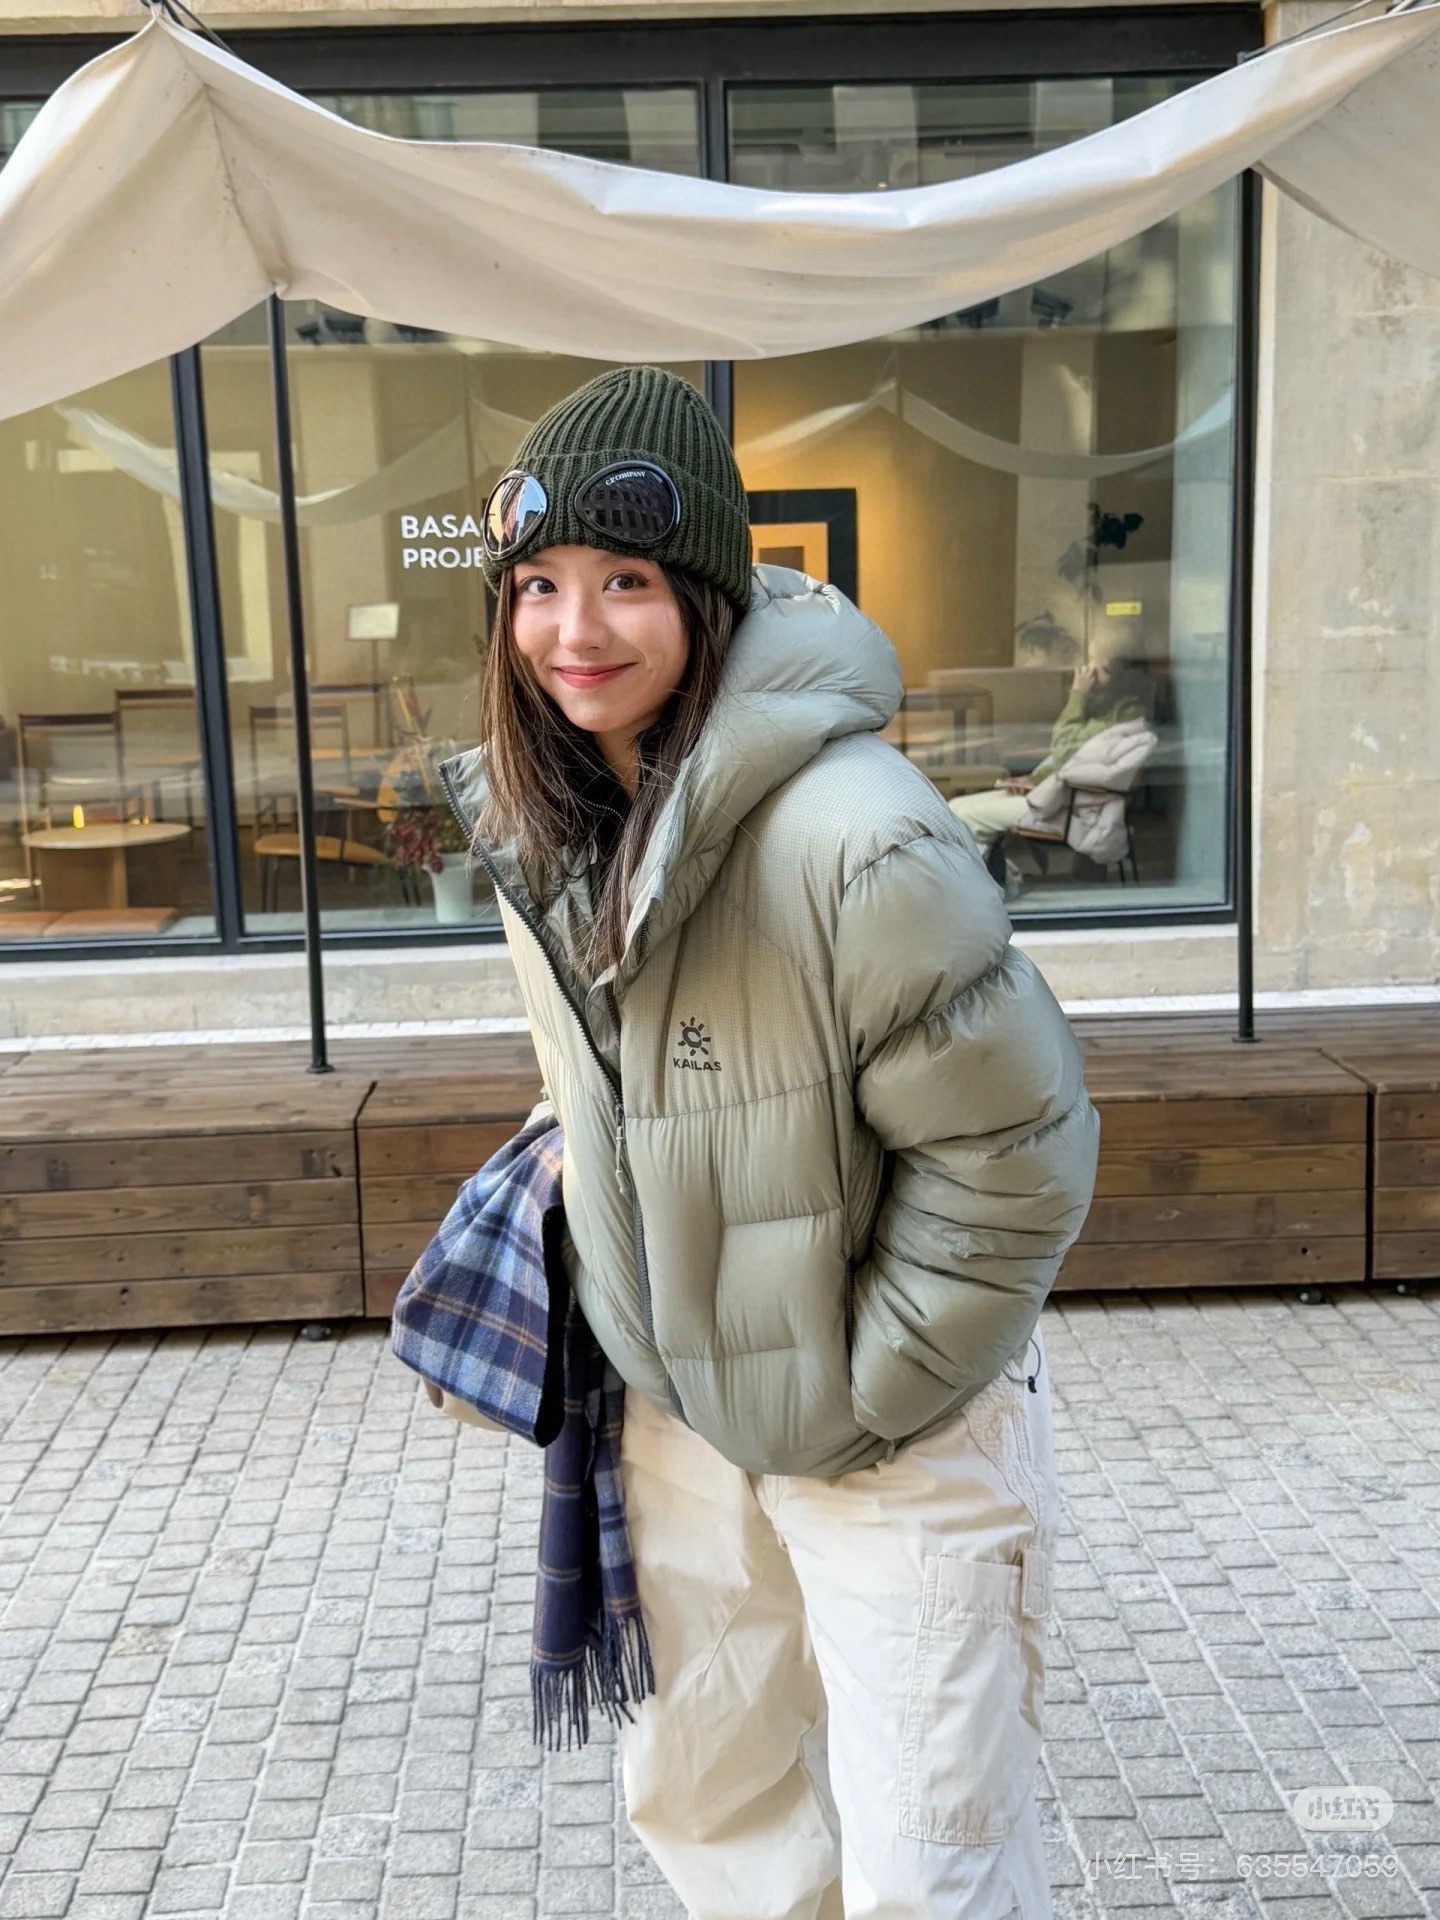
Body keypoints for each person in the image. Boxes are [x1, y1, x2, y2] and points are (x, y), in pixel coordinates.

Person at [440, 365, 1101, 1920]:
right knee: (711, 1803)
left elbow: (1017, 1152)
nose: (574, 629)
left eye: (625, 581)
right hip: (674, 1410)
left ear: (707, 596)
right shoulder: (556, 822)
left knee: (929, 1862)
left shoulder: (857, 834)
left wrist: (869, 1385)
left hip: (893, 1431)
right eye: (538, 585)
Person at [947, 626, 1154, 864]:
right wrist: (1035, 780)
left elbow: (1064, 749)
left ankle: (979, 880)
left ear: (1116, 670)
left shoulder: (1122, 716)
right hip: (1058, 799)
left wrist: (1077, 695)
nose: (1088, 670)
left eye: (1097, 663)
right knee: (954, 808)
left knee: (962, 818)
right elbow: (1077, 761)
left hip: (1064, 810)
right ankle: (992, 876)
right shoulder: (1114, 708)